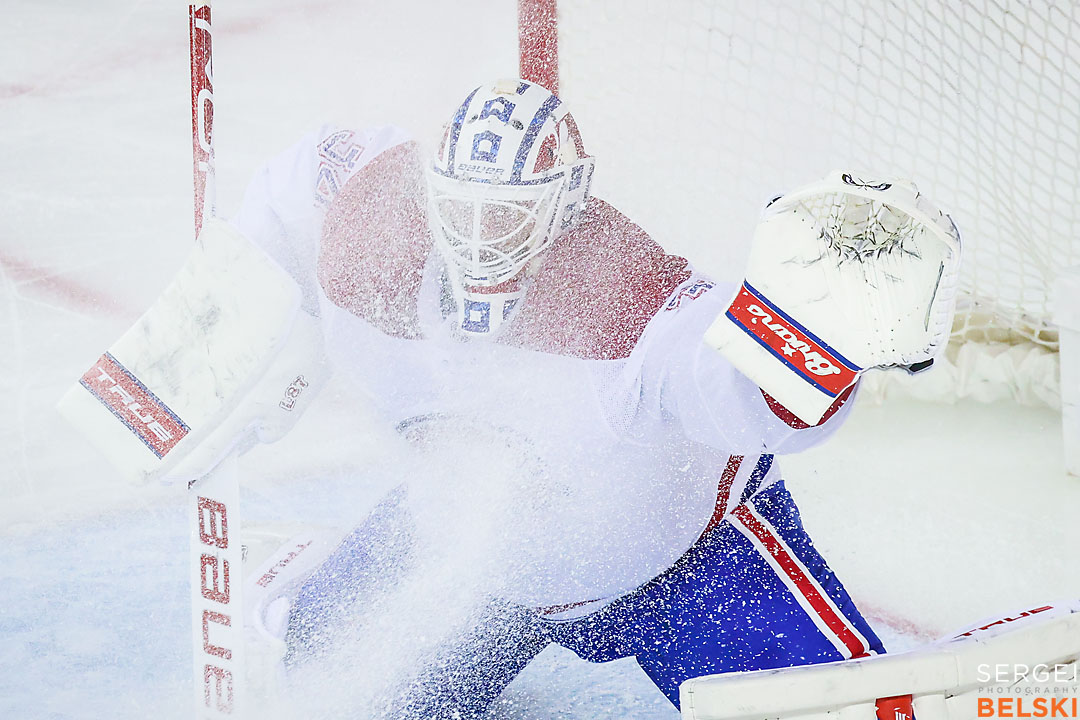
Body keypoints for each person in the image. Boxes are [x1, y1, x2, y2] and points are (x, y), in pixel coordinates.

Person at [232, 77, 961, 717]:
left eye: (508, 215)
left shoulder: (632, 296)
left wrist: (821, 343)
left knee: (829, 716)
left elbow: (744, 391)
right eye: (463, 208)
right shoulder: (374, 227)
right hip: (471, 561)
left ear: (564, 203)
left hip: (680, 570)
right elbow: (296, 187)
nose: (481, 237)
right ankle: (322, 575)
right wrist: (214, 343)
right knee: (329, 689)